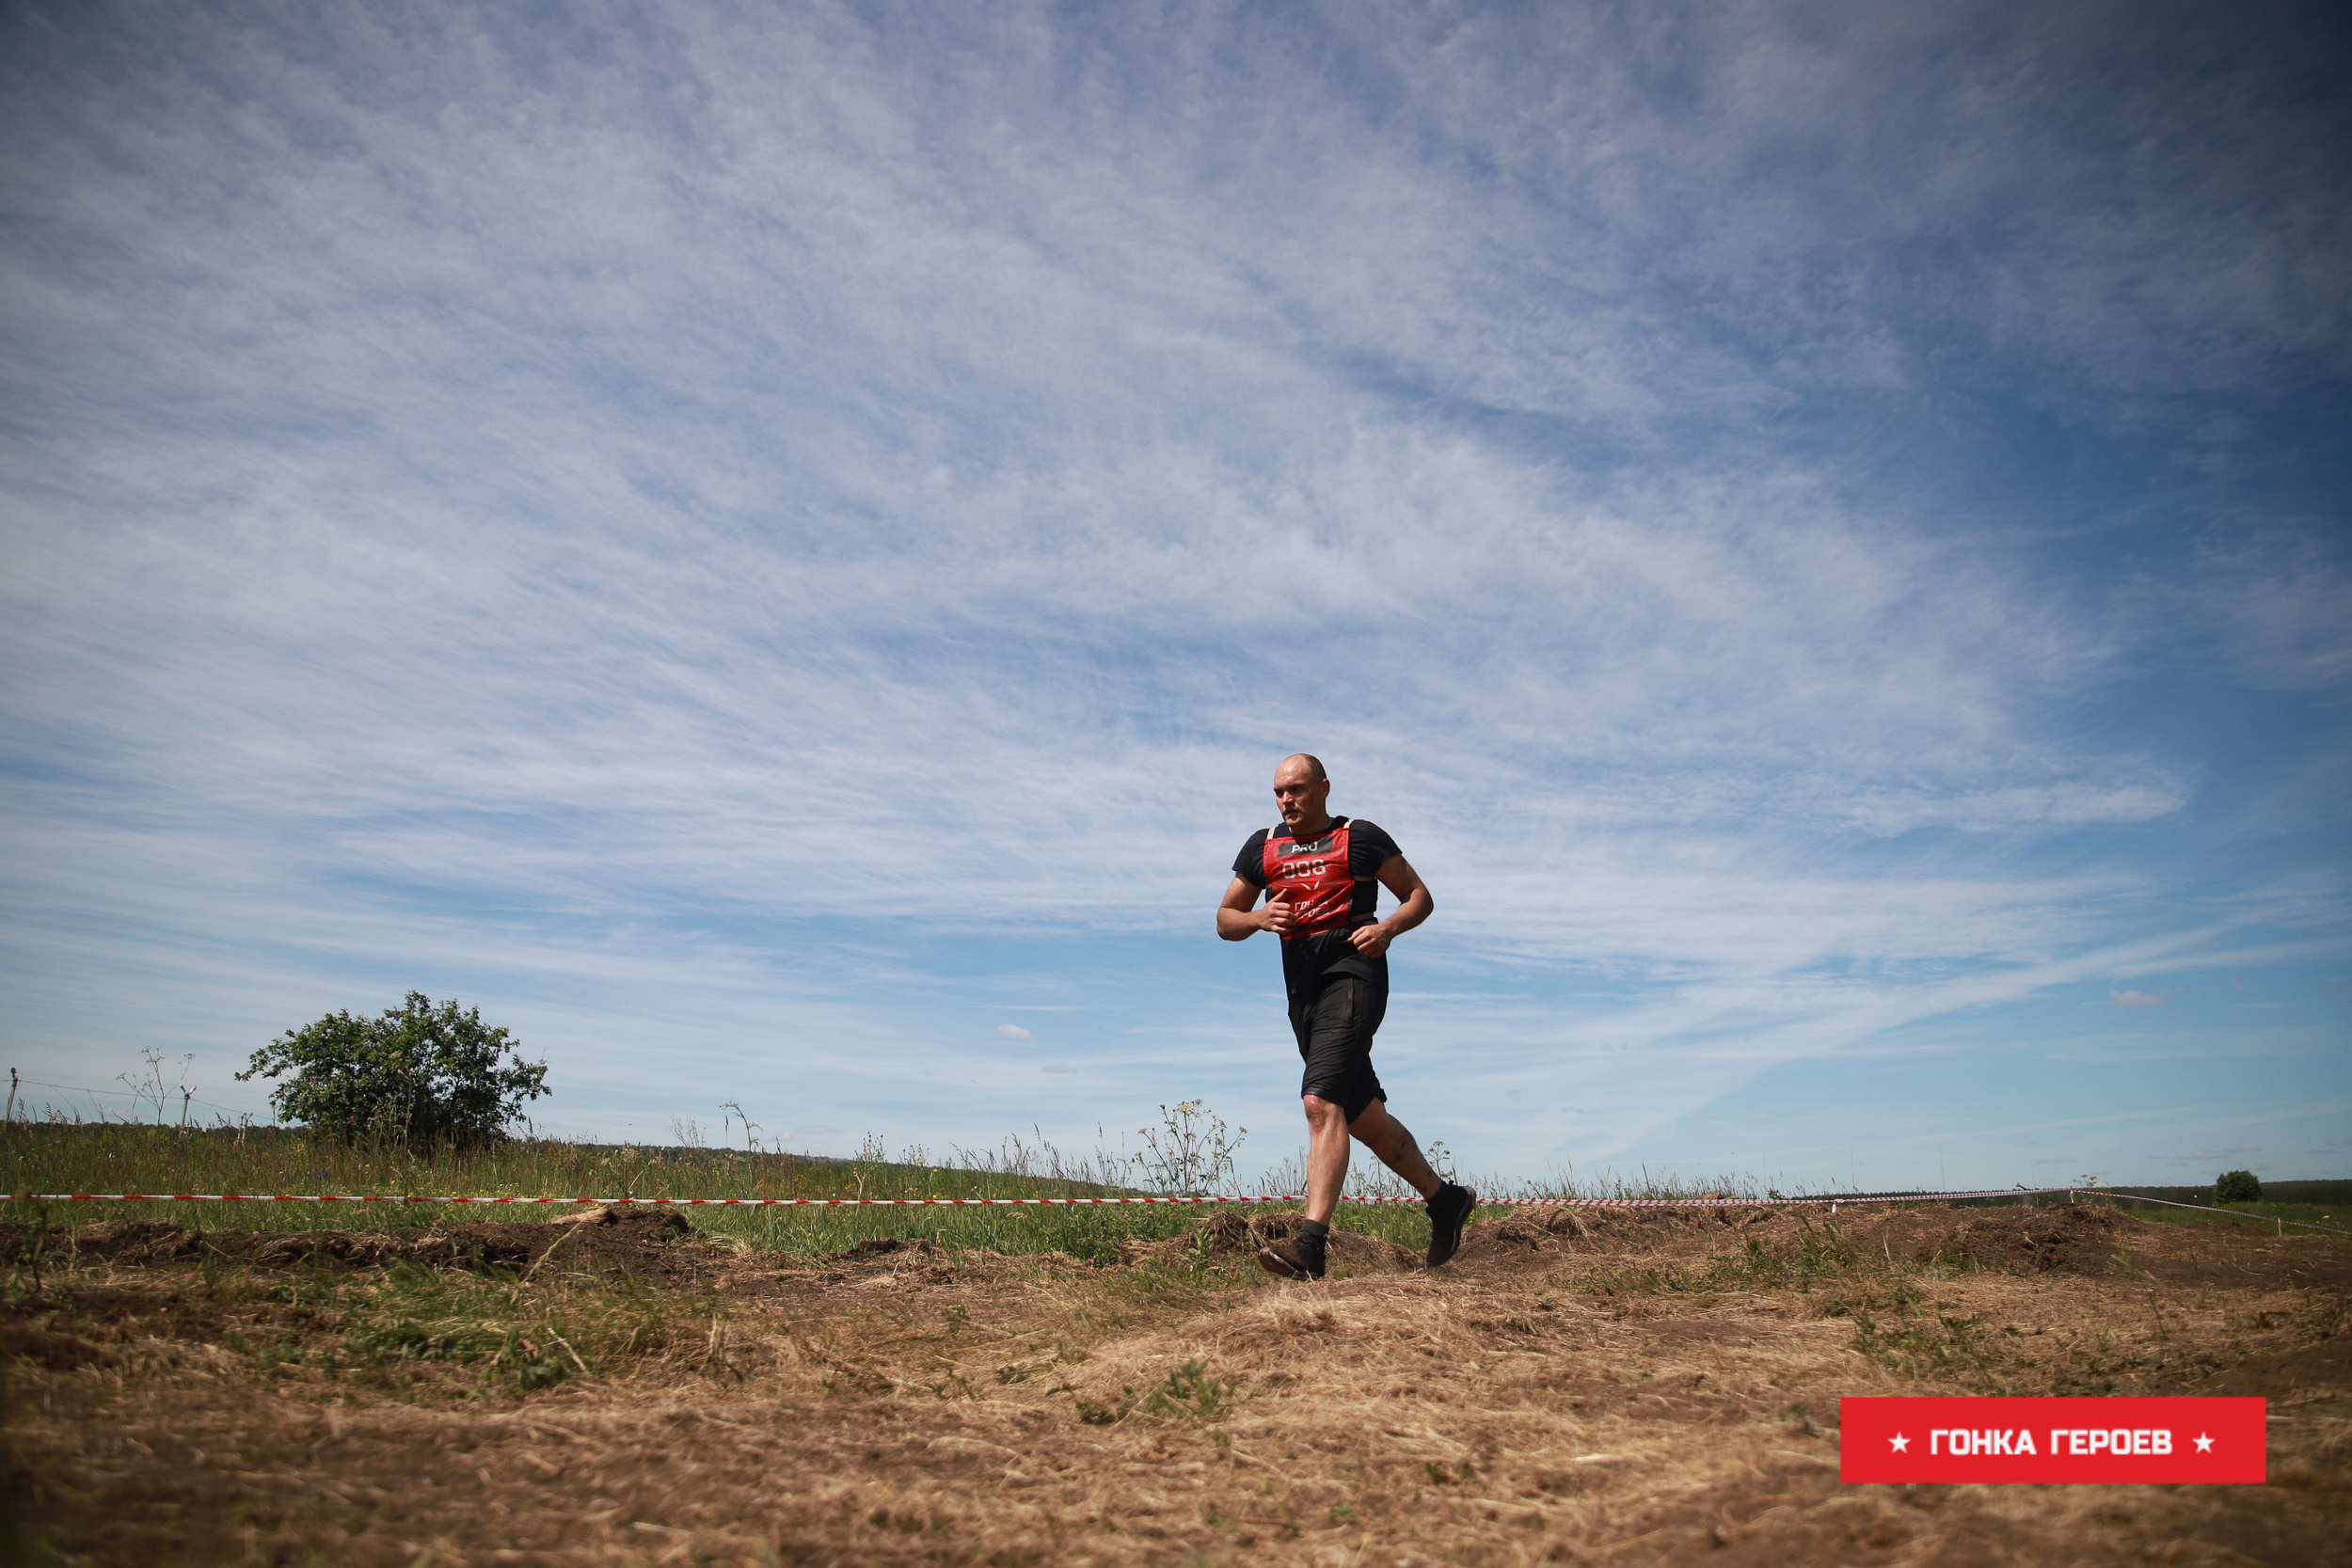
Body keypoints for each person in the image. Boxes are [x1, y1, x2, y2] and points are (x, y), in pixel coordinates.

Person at [1216, 753, 1476, 1280]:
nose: (1287, 800)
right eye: (1279, 792)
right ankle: (1445, 1201)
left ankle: (1311, 1245)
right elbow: (1224, 919)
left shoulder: (1360, 837)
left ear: (1323, 788)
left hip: (1356, 975)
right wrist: (1258, 917)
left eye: (1297, 790)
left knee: (1320, 1101)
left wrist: (1388, 930)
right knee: (1362, 1118)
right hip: (1303, 990)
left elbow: (1419, 897)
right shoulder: (1262, 846)